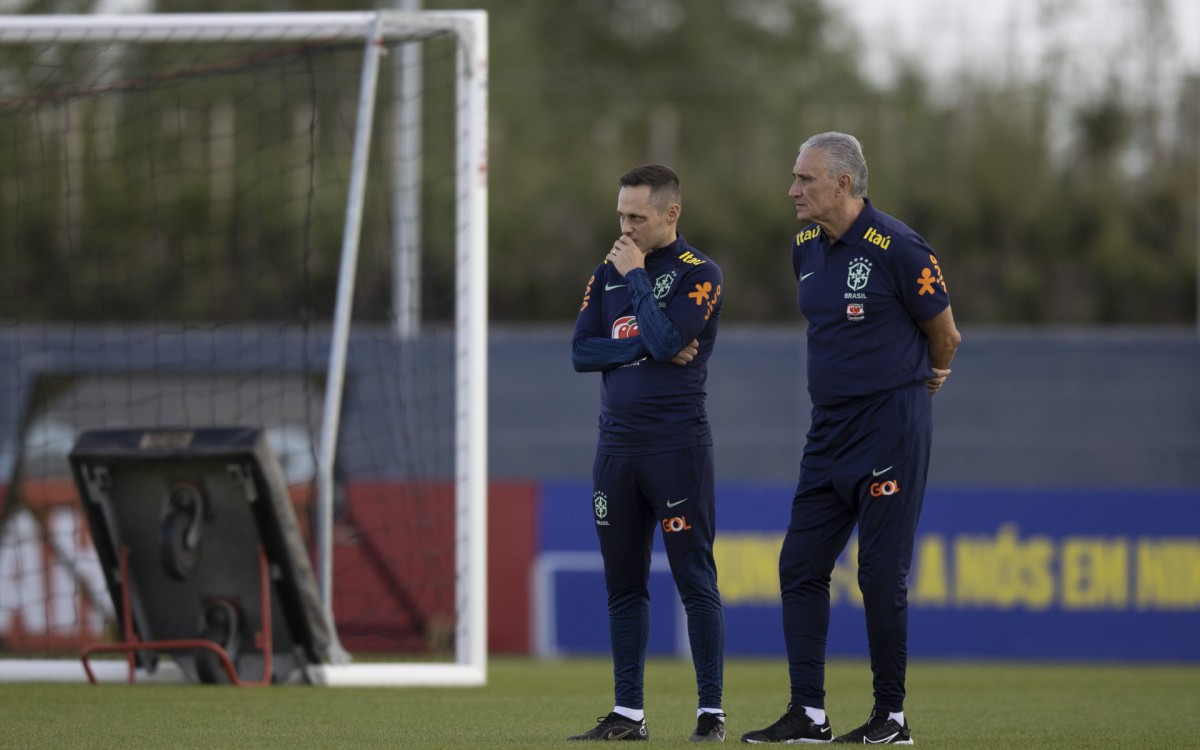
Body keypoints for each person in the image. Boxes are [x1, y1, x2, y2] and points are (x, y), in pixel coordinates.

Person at [740, 133, 960, 745]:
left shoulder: (901, 247)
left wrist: (927, 382)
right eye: (794, 177)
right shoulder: (804, 245)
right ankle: (808, 714)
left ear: (843, 183)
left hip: (891, 423)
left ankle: (891, 717)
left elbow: (945, 335)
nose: (793, 190)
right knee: (799, 564)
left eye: (805, 179)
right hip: (828, 429)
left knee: (879, 572)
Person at [568, 164, 727, 743]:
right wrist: (643, 342)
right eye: (621, 215)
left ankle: (710, 714)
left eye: (637, 216)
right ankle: (628, 715)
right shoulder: (603, 272)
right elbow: (581, 353)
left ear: (670, 213)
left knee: (694, 578)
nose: (626, 227)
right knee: (624, 584)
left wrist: (637, 281)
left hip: (675, 448)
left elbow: (668, 341)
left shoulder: (699, 273)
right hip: (615, 452)